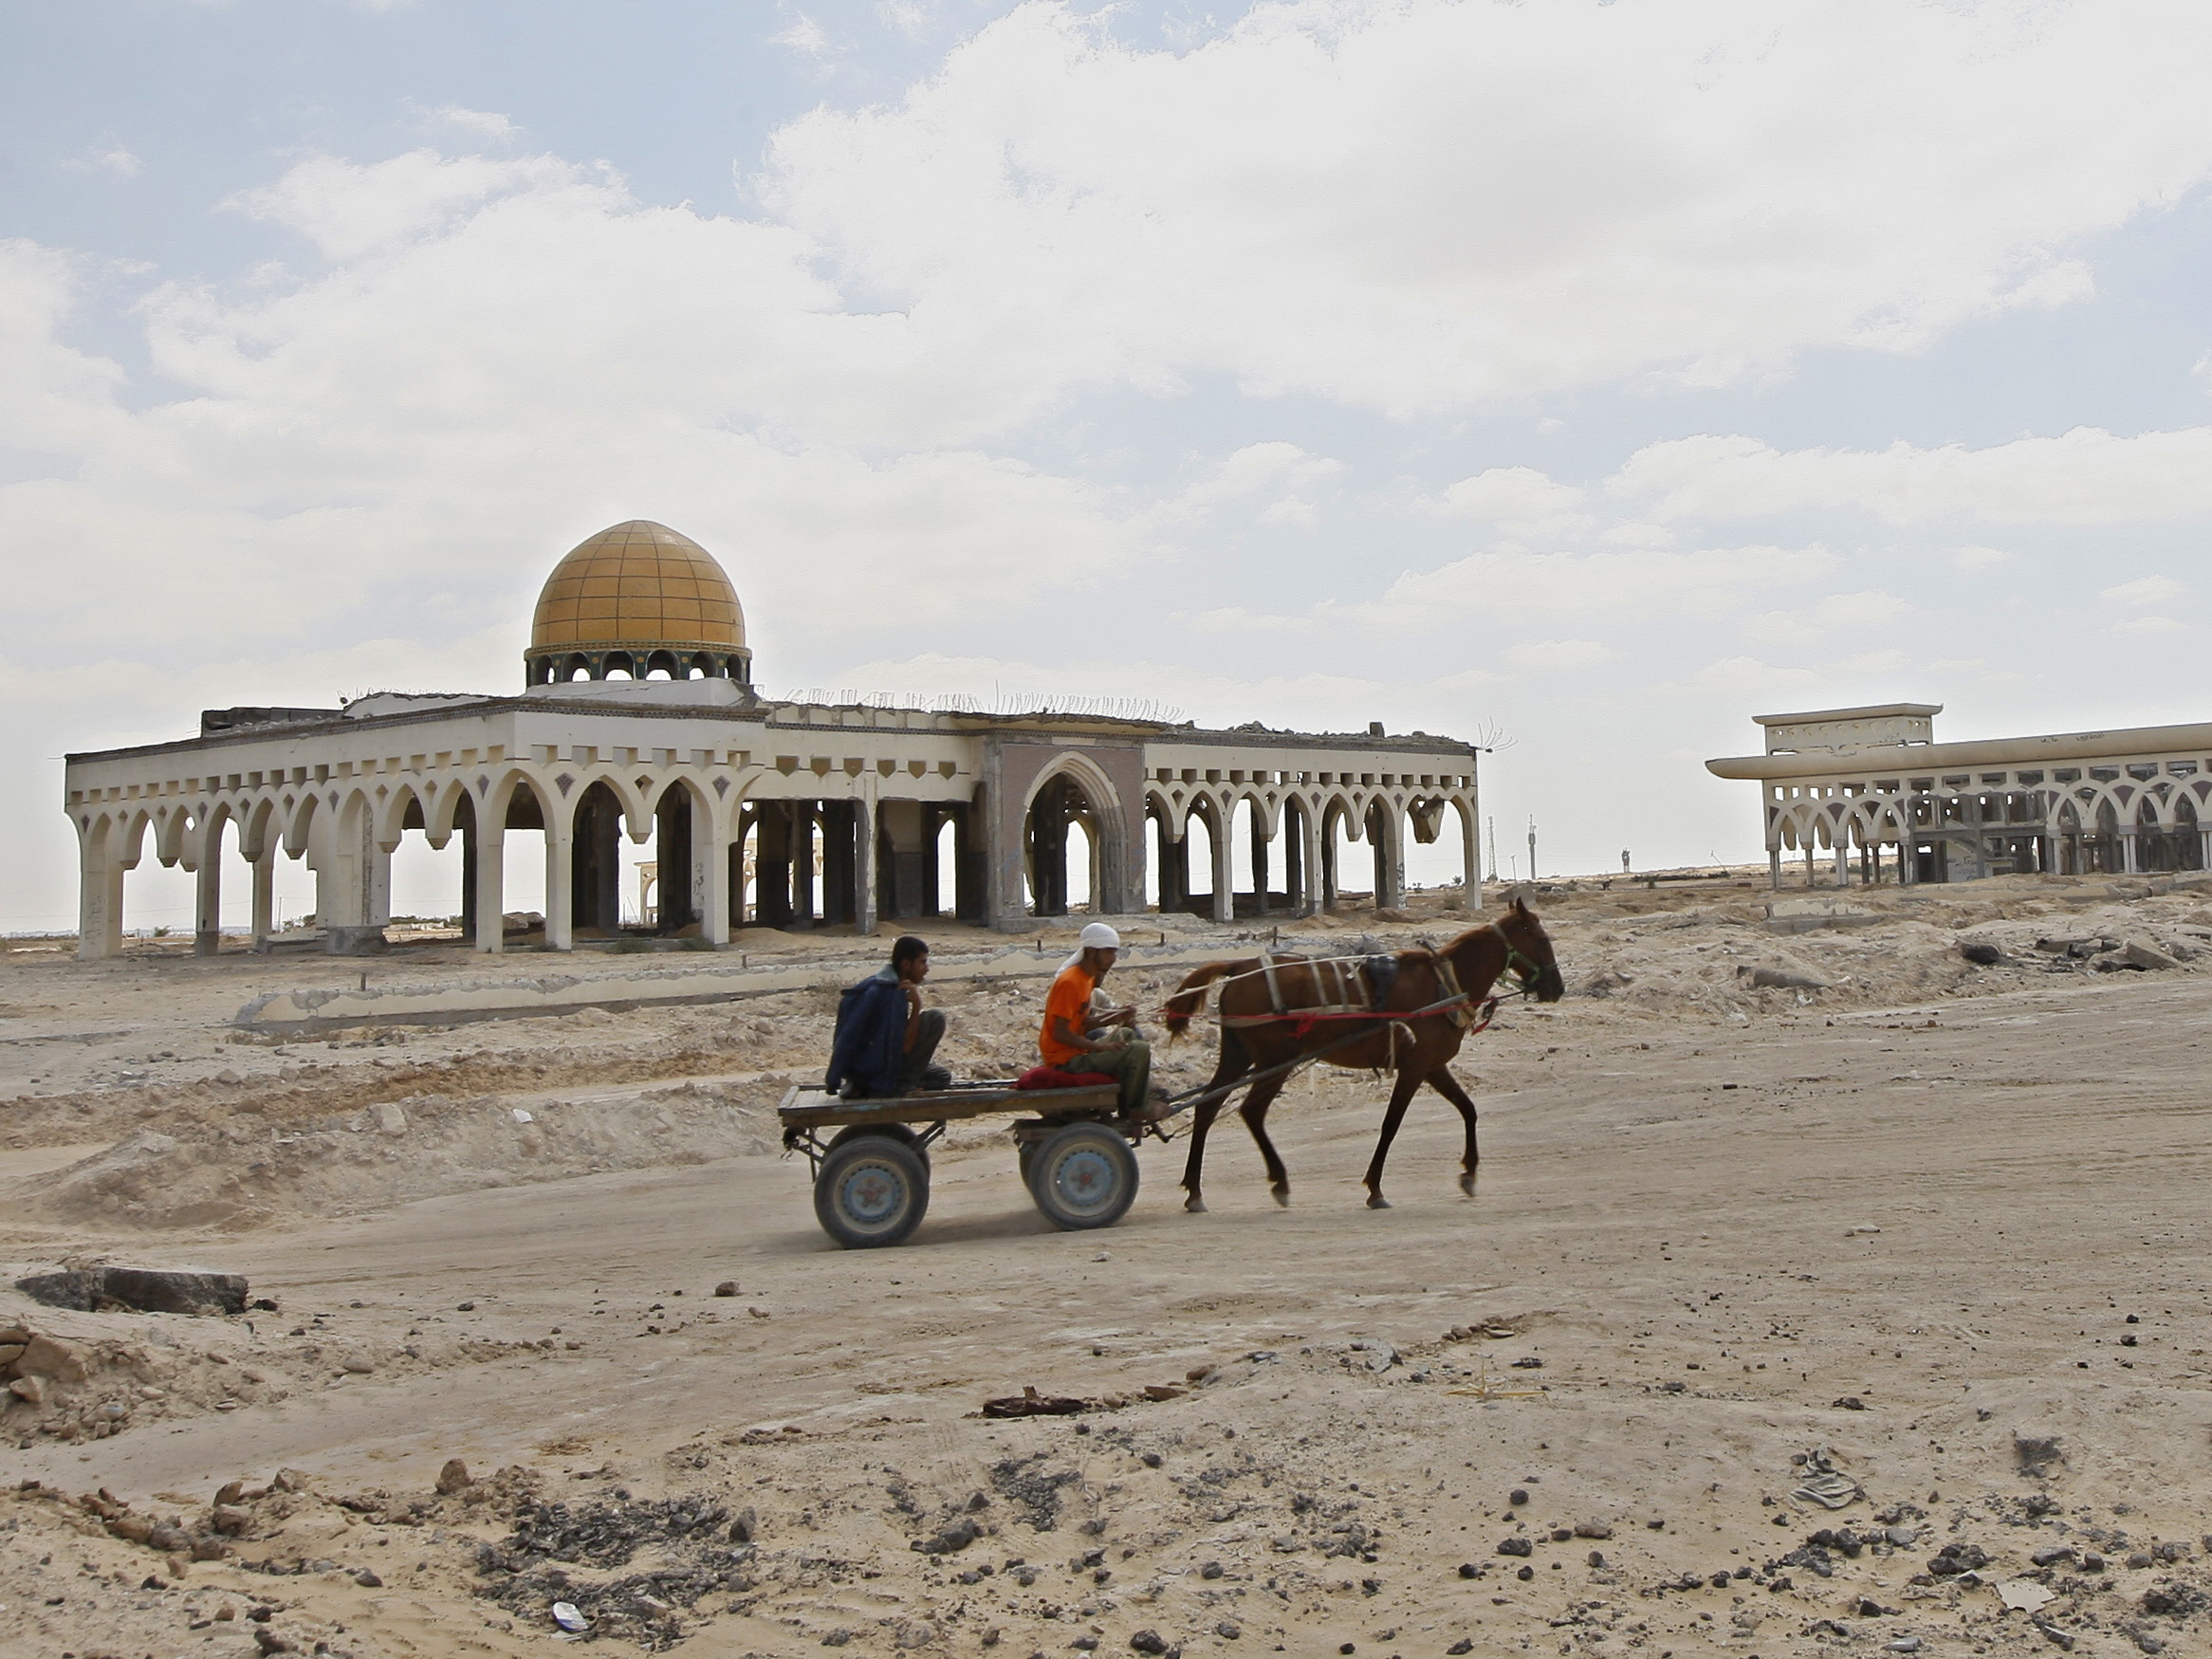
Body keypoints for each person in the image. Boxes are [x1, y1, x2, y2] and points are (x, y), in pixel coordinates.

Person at [1040, 922, 1158, 1117]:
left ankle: (1129, 1096)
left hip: (1077, 1052)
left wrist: (1114, 1017)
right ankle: (1137, 1108)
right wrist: (1099, 1048)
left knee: (1127, 1034)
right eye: (1109, 952)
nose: (1113, 959)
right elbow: (1060, 1033)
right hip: (1065, 1061)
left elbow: (1082, 1023)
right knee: (1140, 1049)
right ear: (1092, 952)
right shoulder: (1071, 982)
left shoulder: (1085, 979)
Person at [825, 935, 950, 1097]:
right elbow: (904, 1048)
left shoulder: (874, 984)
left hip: (862, 1069)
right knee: (935, 1019)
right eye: (922, 962)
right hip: (881, 1072)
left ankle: (864, 1085)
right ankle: (898, 1086)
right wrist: (917, 1005)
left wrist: (834, 1079)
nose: (926, 968)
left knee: (941, 1075)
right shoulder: (892, 994)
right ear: (906, 964)